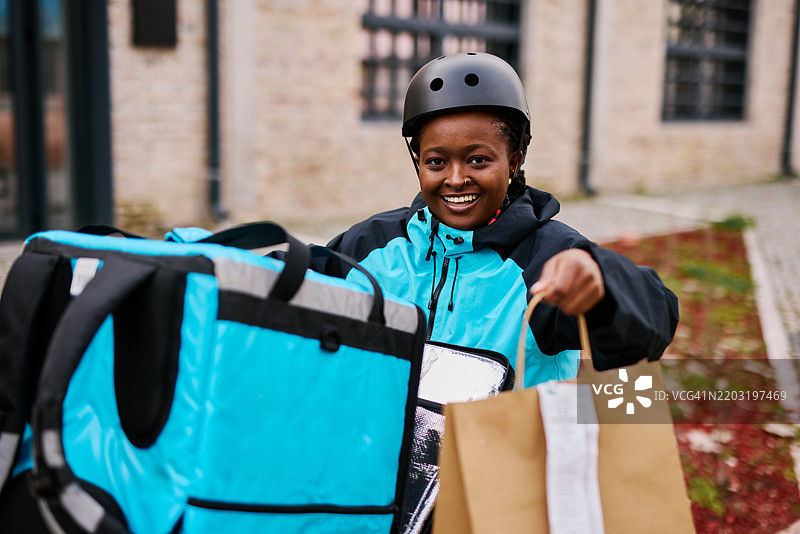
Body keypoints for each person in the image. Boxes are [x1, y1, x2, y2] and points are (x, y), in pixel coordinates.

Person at [323, 52, 678, 386]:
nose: (456, 179)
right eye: (436, 162)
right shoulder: (370, 245)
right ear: (418, 162)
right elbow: (298, 293)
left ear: (513, 161)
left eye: (478, 160)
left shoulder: (548, 261)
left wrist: (604, 285)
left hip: (512, 435)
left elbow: (653, 328)